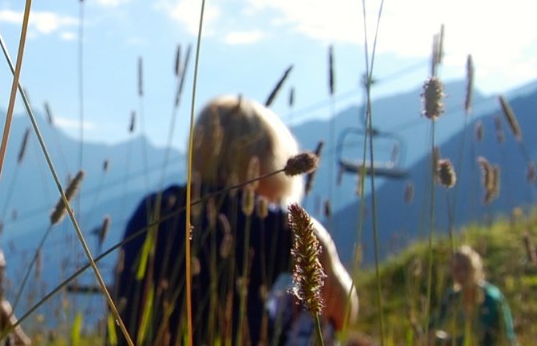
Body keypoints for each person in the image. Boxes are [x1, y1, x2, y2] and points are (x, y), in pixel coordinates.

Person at [111, 95, 356, 346]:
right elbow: (344, 310)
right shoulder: (273, 225)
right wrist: (319, 240)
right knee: (311, 319)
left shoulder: (154, 209)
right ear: (265, 160)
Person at [427, 246, 516, 346]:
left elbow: (483, 335)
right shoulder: (452, 297)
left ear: (475, 268)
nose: (462, 274)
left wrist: (448, 340)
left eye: (466, 268)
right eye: (457, 269)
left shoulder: (490, 296)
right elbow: (433, 323)